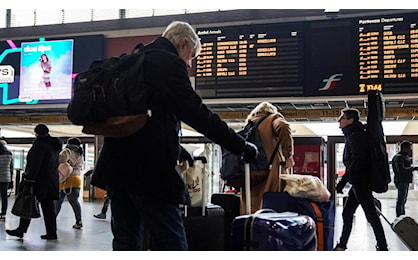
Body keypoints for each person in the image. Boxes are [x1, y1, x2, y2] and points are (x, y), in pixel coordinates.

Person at [90, 21, 258, 251]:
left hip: (116, 170)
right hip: (148, 172)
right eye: (191, 56)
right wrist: (240, 145)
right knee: (171, 240)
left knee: (125, 241)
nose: (189, 64)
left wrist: (177, 148)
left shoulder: (134, 58)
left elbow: (144, 117)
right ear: (182, 43)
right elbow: (197, 114)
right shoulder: (167, 63)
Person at [334, 108, 388, 251]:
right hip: (358, 183)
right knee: (348, 213)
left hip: (361, 183)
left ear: (350, 120)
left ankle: (382, 247)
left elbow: (358, 162)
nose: (339, 120)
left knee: (371, 216)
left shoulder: (357, 136)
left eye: (342, 118)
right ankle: (342, 244)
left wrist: (342, 182)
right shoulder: (354, 135)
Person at [6, 124, 62, 240]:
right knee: (48, 208)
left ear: (37, 133)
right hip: (51, 180)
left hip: (38, 181)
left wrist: (28, 180)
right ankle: (51, 232)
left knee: (27, 203)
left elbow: (34, 165)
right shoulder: (54, 146)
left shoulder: (39, 145)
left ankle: (21, 230)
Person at [240, 101, 295, 214]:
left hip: (250, 171)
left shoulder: (249, 125)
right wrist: (288, 155)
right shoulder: (272, 119)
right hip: (271, 170)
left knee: (251, 203)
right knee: (271, 202)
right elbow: (283, 126)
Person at [55, 137, 84, 229]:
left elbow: (61, 160)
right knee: (74, 201)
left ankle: (52, 219)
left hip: (66, 178)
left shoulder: (67, 151)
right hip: (76, 178)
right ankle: (79, 221)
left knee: (57, 201)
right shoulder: (80, 153)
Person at [392, 140, 418, 217]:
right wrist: (412, 168)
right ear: (404, 148)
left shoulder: (402, 157)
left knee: (403, 200)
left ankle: (401, 215)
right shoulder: (399, 158)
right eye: (409, 148)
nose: (410, 150)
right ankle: (400, 216)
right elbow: (401, 170)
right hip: (401, 180)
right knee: (401, 200)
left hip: (404, 180)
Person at [0, 139, 13, 221]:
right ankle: (3, 212)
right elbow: (11, 167)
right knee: (4, 196)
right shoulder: (9, 153)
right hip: (5, 177)